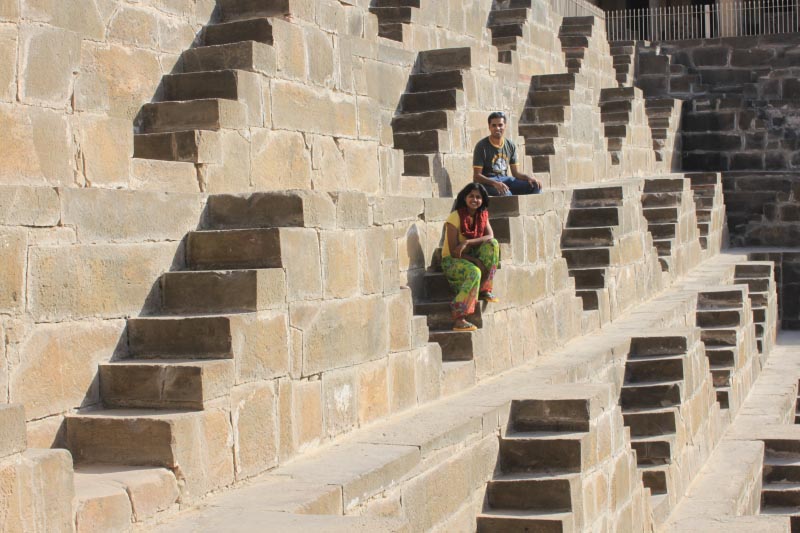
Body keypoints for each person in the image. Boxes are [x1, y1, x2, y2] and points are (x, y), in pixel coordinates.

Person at [441, 183, 500, 332]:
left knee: (492, 244)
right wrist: (476, 261)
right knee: (475, 272)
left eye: (478, 197)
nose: (475, 199)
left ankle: (485, 288)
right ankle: (459, 318)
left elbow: (490, 235)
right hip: (452, 260)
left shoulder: (482, 215)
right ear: (465, 198)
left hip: (470, 254)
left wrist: (467, 241)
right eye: (471, 196)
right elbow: (455, 252)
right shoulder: (455, 217)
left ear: (483, 200)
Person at [473, 111, 543, 196]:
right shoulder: (481, 146)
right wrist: (495, 183)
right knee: (506, 193)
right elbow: (477, 176)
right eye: (494, 125)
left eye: (500, 125)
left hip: (505, 180)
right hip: (487, 183)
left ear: (505, 126)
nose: (497, 128)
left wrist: (529, 178)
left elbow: (516, 173)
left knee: (535, 186)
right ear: (489, 127)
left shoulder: (510, 145)